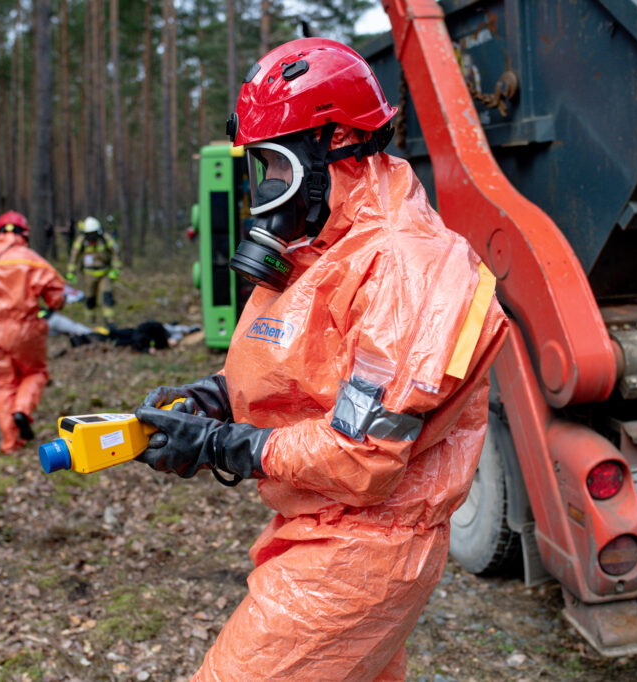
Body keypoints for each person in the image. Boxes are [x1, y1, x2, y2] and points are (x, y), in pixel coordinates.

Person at [133, 38, 508, 680]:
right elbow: (299, 360)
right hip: (318, 527)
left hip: (362, 549)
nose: (267, 192)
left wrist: (226, 446)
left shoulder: (405, 267)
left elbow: (365, 455)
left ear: (334, 145)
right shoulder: (328, 245)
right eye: (260, 171)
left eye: (274, 168)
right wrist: (220, 396)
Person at [0, 210, 66, 454]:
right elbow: (56, 294)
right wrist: (53, 304)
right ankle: (22, 411)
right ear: (24, 233)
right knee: (36, 373)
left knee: (5, 384)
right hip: (25, 329)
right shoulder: (31, 259)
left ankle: (10, 442)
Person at [66, 215, 121, 326]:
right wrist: (71, 272)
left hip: (104, 273)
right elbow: (74, 256)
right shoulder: (82, 241)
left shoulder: (105, 239)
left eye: (93, 234)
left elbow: (116, 253)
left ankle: (109, 321)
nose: (91, 237)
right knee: (90, 298)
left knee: (107, 296)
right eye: (88, 234)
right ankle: (90, 321)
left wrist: (115, 270)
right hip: (88, 275)